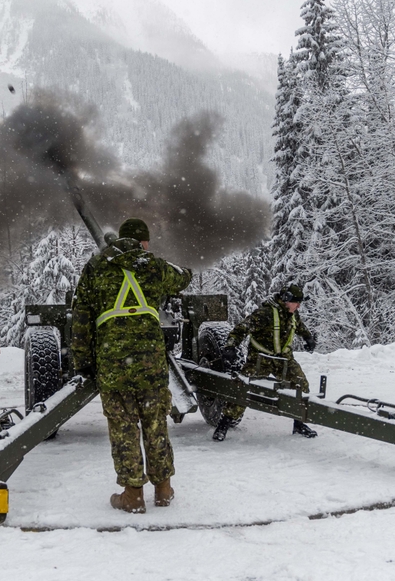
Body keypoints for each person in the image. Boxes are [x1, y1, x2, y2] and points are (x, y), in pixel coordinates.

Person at [70, 218, 192, 514]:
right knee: (155, 424)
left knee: (124, 427)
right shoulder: (153, 265)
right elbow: (184, 277)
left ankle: (132, 494)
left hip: (113, 362)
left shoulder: (96, 266)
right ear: (144, 242)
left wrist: (83, 362)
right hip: (150, 360)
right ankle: (163, 489)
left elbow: (81, 318)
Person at [216, 284, 318, 442]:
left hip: (284, 360)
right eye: (296, 302)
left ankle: (299, 424)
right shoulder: (265, 313)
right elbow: (242, 328)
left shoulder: (292, 314)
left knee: (301, 385)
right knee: (242, 387)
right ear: (286, 300)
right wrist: (230, 345)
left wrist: (308, 337)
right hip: (260, 359)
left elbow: (299, 326)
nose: (298, 306)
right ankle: (224, 424)